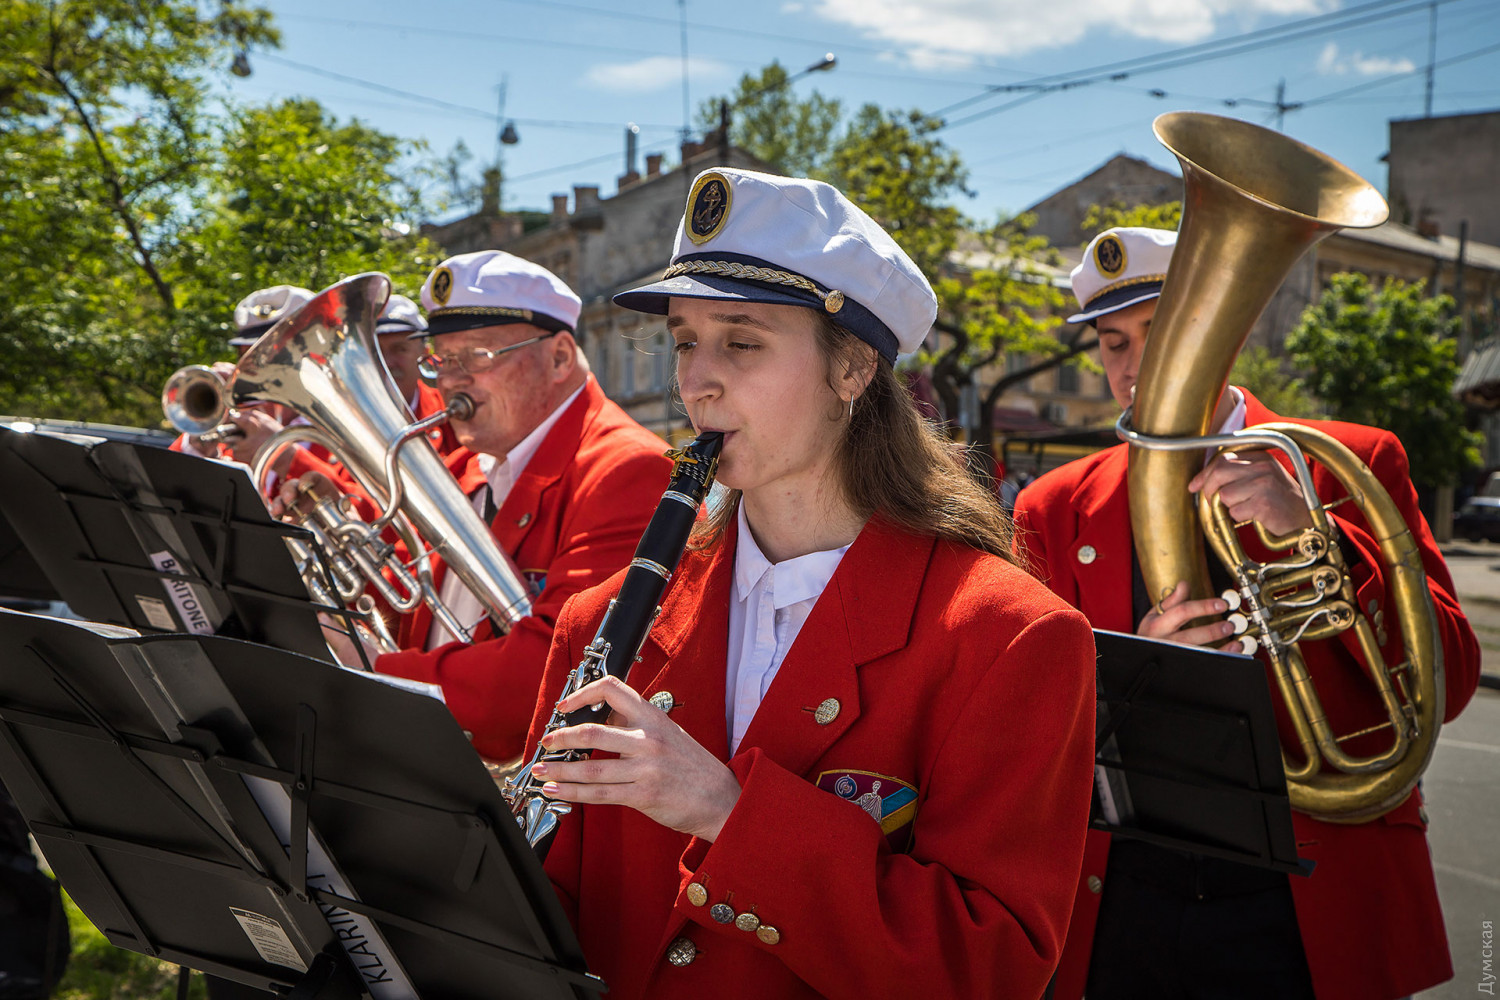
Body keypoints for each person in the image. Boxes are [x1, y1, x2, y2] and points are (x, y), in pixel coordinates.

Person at [522, 167, 1097, 999]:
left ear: (855, 368)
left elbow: (989, 966)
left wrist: (727, 810)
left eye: (742, 341)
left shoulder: (1007, 637)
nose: (698, 381)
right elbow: (555, 912)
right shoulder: (602, 624)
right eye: (686, 341)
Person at [1012, 226, 1482, 1000]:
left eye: (1160, 333)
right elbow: (1020, 720)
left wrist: (1319, 536)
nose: (1133, 367)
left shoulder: (1348, 459)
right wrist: (1125, 676)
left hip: (1307, 899)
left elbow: (1452, 681)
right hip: (1123, 897)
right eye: (1112, 342)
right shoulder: (1053, 504)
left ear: (1221, 334)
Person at [307, 250, 672, 765]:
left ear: (561, 357)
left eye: (475, 356)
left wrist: (379, 672)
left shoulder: (625, 469)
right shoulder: (468, 467)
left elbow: (551, 674)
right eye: (441, 361)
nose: (451, 381)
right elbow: (403, 608)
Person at [170, 285, 313, 466]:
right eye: (245, 357)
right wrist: (199, 440)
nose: (251, 369)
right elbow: (164, 478)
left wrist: (284, 455)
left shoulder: (338, 433)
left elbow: (349, 492)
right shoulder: (231, 427)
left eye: (266, 357)